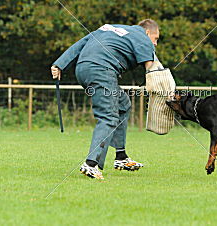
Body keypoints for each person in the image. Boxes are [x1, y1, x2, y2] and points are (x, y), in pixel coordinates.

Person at [51, 19, 160, 180]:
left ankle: (121, 157)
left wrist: (59, 64)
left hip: (82, 68)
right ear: (147, 32)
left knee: (123, 104)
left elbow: (81, 43)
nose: (155, 44)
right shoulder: (142, 36)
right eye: (156, 38)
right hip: (101, 70)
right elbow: (151, 70)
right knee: (108, 116)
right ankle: (91, 164)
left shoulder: (111, 27)